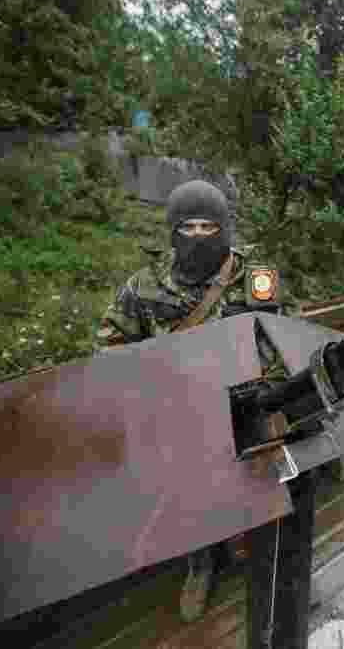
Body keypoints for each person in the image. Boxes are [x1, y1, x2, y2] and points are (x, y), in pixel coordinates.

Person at [94, 178, 291, 622]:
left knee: (258, 481)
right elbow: (109, 345)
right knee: (188, 490)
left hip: (246, 404)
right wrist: (150, 382)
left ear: (224, 228)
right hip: (181, 411)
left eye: (209, 226)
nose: (199, 236)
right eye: (189, 227)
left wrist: (270, 385)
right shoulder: (145, 285)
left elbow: (284, 333)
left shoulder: (256, 277)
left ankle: (254, 550)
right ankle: (201, 564)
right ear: (173, 230)